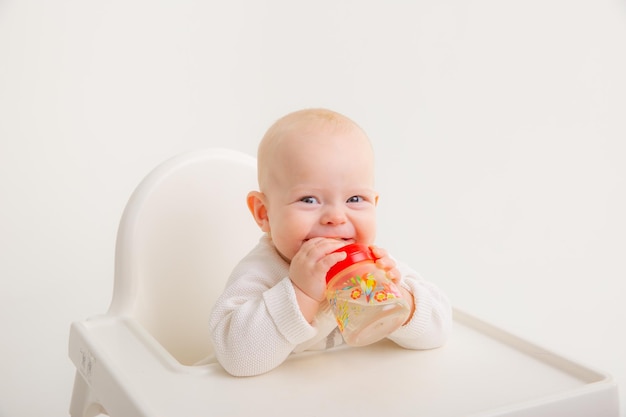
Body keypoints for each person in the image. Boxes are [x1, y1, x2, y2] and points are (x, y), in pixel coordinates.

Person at [209, 108, 451, 376]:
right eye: (309, 200)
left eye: (355, 199)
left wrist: (402, 300)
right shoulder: (262, 271)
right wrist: (301, 292)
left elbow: (441, 328)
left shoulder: (373, 268)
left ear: (374, 203)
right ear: (264, 213)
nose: (336, 217)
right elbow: (236, 358)